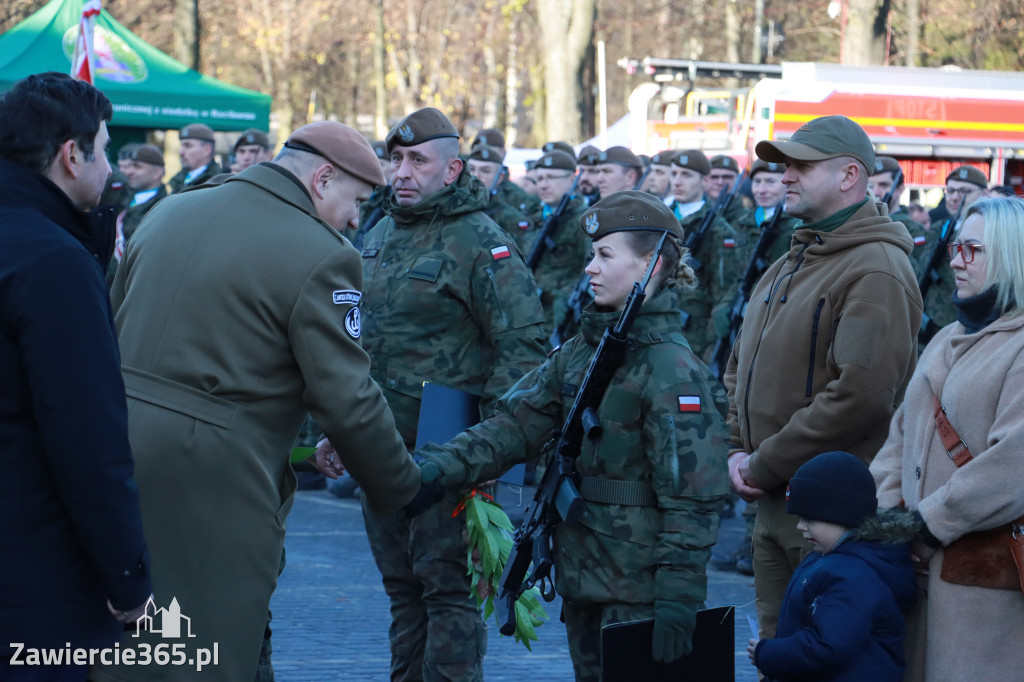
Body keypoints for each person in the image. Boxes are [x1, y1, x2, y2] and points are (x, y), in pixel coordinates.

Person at [95, 121, 428, 682]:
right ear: (323, 178)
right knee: (207, 652)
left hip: (112, 455)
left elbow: (116, 333)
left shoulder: (170, 211)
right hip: (214, 484)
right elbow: (347, 397)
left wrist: (298, 457)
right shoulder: (324, 255)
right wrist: (403, 487)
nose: (356, 220)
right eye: (358, 201)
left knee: (123, 647)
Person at [416, 190, 730, 681]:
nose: (590, 268)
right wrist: (432, 467)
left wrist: (680, 596)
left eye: (606, 255)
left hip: (641, 589)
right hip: (585, 577)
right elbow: (513, 427)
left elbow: (693, 497)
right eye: (591, 255)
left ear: (650, 263)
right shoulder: (584, 351)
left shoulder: (671, 368)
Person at [357, 107, 548, 681]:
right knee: (402, 591)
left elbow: (520, 352)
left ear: (453, 168)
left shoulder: (481, 241)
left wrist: (492, 454)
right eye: (396, 160)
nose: (403, 173)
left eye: (418, 160)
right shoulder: (380, 231)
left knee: (450, 595)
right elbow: (352, 339)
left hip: (452, 454)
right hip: (382, 447)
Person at [725, 115, 922, 639]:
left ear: (849, 175)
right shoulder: (793, 259)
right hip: (773, 502)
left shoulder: (874, 270)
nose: (784, 175)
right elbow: (737, 366)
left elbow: (860, 396)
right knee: (779, 652)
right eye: (783, 165)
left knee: (825, 658)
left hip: (831, 516)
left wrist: (762, 462)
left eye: (801, 166)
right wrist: (735, 449)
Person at [0, 71, 151, 680]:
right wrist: (126, 573)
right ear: (71, 154)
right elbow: (87, 434)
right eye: (105, 147)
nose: (110, 164)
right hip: (33, 578)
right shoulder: (52, 260)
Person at [871, 196, 1024, 682]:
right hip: (916, 574)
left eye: (973, 249)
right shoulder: (947, 335)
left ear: (1012, 254)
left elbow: (1013, 464)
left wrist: (926, 526)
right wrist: (891, 523)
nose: (956, 259)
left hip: (982, 587)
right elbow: (900, 436)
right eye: (958, 246)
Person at [748, 451, 918, 682]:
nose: (800, 526)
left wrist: (767, 654)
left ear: (842, 514)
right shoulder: (829, 557)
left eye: (810, 518)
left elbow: (827, 647)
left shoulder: (853, 576)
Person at [668, 149, 738, 358]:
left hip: (693, 337)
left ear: (705, 181)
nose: (677, 181)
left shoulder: (719, 230)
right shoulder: (659, 218)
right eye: (674, 174)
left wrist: (711, 345)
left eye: (686, 175)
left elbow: (723, 291)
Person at [525, 149, 589, 336]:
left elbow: (588, 272)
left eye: (551, 178)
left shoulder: (584, 221)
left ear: (571, 180)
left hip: (562, 318)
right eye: (540, 179)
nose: (543, 185)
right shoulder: (532, 218)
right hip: (531, 314)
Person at [920, 165, 987, 344]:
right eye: (950, 191)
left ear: (985, 194)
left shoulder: (989, 233)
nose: (955, 197)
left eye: (965, 191)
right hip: (932, 322)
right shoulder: (938, 228)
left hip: (967, 324)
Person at [868, 156, 931, 279]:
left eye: (883, 185)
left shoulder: (913, 228)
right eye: (870, 185)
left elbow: (918, 274)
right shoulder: (861, 221)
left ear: (900, 188)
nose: (875, 192)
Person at [168, 122, 221, 193]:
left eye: (188, 146)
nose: (181, 152)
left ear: (206, 150)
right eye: (181, 146)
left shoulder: (217, 182)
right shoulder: (178, 180)